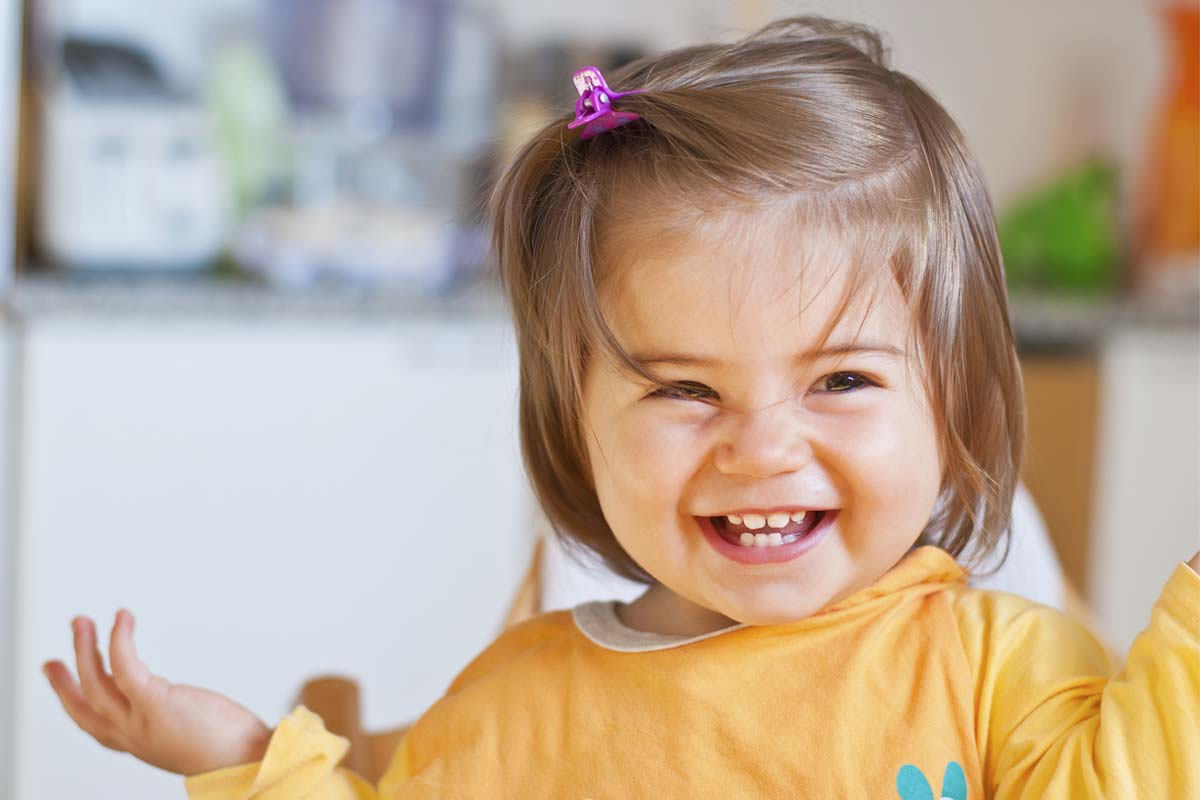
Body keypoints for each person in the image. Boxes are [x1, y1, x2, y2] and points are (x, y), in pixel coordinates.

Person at [42, 16, 1199, 798]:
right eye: (685, 390)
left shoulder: (995, 667)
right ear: (573, 429)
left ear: (951, 409)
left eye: (841, 379)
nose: (763, 446)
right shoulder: (519, 707)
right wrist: (246, 754)